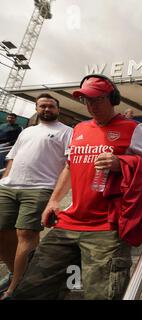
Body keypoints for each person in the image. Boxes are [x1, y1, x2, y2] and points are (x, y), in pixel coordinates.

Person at [12, 74, 142, 300]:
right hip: (69, 222)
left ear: (112, 98)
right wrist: (53, 200)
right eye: (86, 100)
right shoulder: (78, 128)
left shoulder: (132, 128)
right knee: (31, 289)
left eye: (96, 99)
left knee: (104, 295)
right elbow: (69, 167)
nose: (90, 105)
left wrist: (122, 163)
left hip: (106, 227)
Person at [0, 94, 72, 299]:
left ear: (58, 109)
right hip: (8, 187)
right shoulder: (27, 131)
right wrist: (4, 179)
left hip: (40, 188)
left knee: (26, 234)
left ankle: (16, 287)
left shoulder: (68, 132)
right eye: (42, 106)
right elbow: (12, 157)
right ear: (36, 108)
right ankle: (17, 272)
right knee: (2, 233)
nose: (46, 109)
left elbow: (69, 166)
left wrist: (55, 196)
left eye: (51, 106)